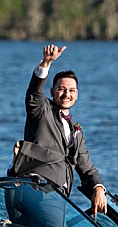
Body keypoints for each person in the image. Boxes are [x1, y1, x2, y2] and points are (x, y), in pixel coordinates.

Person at [10, 44, 107, 215]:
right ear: (52, 91)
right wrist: (46, 64)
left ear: (76, 95)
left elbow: (87, 168)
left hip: (58, 196)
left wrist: (98, 188)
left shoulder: (76, 131)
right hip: (37, 189)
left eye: (71, 90)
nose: (66, 94)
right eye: (61, 89)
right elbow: (34, 93)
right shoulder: (41, 110)